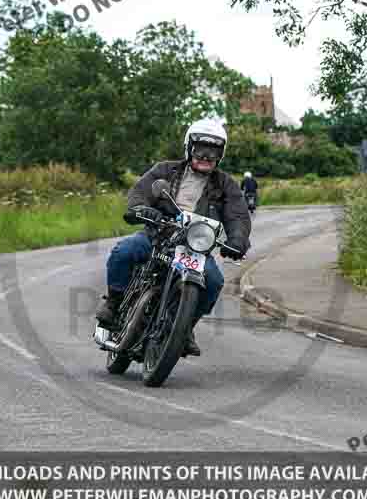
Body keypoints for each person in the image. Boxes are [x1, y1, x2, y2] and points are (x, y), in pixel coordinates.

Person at [95, 118, 252, 356]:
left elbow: (238, 216)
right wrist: (140, 208)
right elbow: (140, 191)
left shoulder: (226, 184)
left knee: (214, 282)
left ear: (221, 154)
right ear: (189, 147)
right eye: (201, 149)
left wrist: (237, 241)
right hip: (159, 235)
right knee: (124, 251)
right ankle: (114, 303)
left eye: (213, 151)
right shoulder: (166, 170)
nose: (206, 156)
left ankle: (185, 326)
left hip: (195, 247)